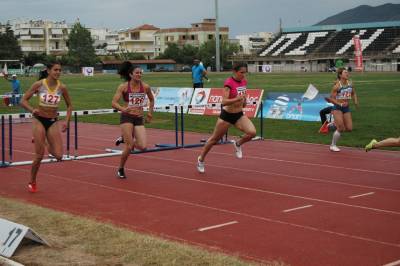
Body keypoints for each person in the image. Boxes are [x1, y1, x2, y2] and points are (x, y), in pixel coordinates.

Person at [20, 62, 72, 193]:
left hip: (53, 121)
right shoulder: (39, 84)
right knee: (39, 155)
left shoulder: (62, 87)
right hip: (39, 120)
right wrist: (32, 110)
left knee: (59, 156)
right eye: (55, 70)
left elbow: (69, 106)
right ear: (48, 71)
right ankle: (32, 181)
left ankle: (43, 140)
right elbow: (23, 100)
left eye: (60, 70)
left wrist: (66, 121)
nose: (58, 72)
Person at [196, 63, 256, 173]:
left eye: (245, 72)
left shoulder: (244, 81)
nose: (243, 74)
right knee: (214, 140)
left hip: (239, 115)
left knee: (252, 132)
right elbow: (223, 102)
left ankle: (238, 143)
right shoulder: (229, 83)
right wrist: (237, 99)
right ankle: (201, 159)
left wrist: (244, 101)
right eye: (241, 72)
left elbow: (243, 94)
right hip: (227, 116)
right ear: (235, 71)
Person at [111, 62, 154, 179]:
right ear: (131, 75)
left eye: (141, 73)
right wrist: (123, 109)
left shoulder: (145, 87)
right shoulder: (124, 86)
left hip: (139, 118)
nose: (139, 75)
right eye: (137, 73)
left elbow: (152, 99)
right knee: (129, 146)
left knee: (143, 146)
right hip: (127, 117)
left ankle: (124, 138)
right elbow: (113, 103)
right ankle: (120, 168)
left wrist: (150, 112)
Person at [328, 68, 358, 152]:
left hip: (346, 108)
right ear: (340, 75)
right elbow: (331, 99)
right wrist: (340, 104)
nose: (347, 73)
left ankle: (334, 124)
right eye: (345, 72)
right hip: (337, 107)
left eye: (347, 72)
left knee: (349, 128)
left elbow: (353, 93)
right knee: (341, 128)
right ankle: (333, 145)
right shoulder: (337, 86)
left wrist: (355, 101)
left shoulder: (350, 84)